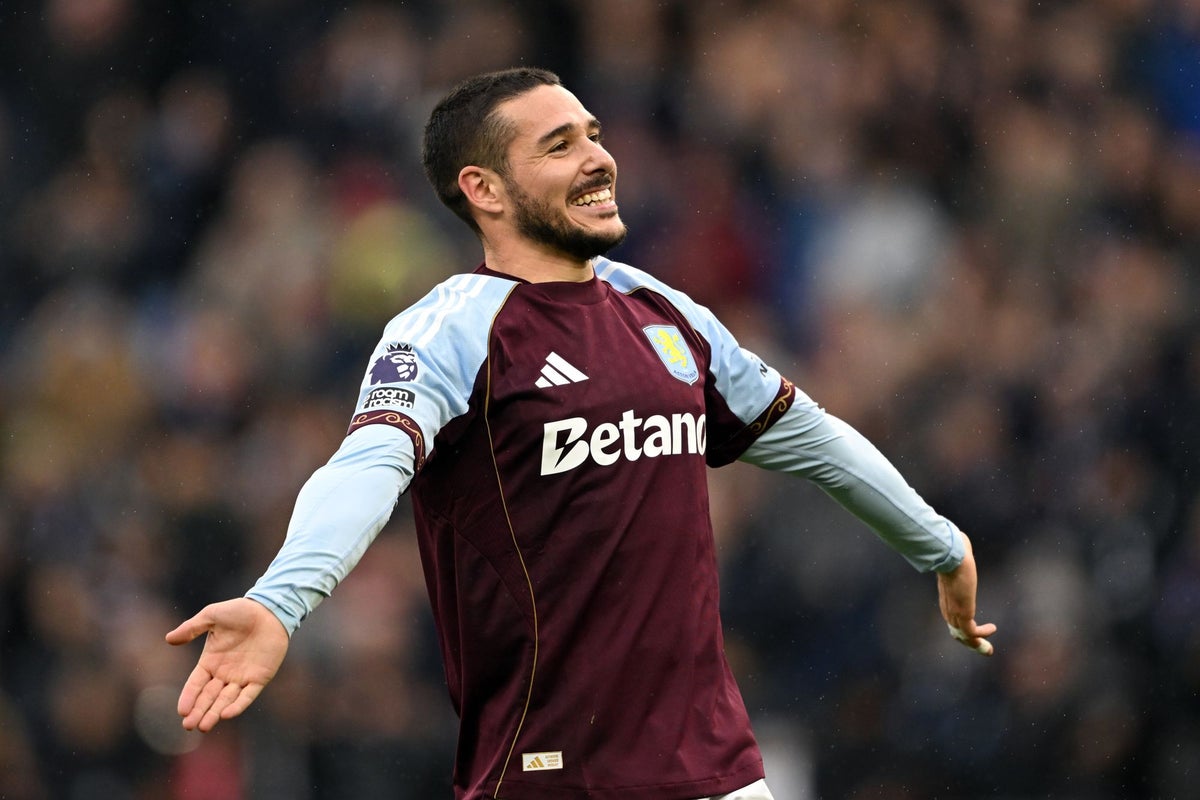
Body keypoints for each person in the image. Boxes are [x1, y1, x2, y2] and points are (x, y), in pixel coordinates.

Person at [166, 67, 996, 800]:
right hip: (555, 777)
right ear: (485, 189)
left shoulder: (665, 314)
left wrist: (939, 544)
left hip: (719, 772)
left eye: (594, 135)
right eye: (560, 145)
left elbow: (815, 441)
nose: (599, 159)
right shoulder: (450, 332)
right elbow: (367, 466)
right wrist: (280, 600)